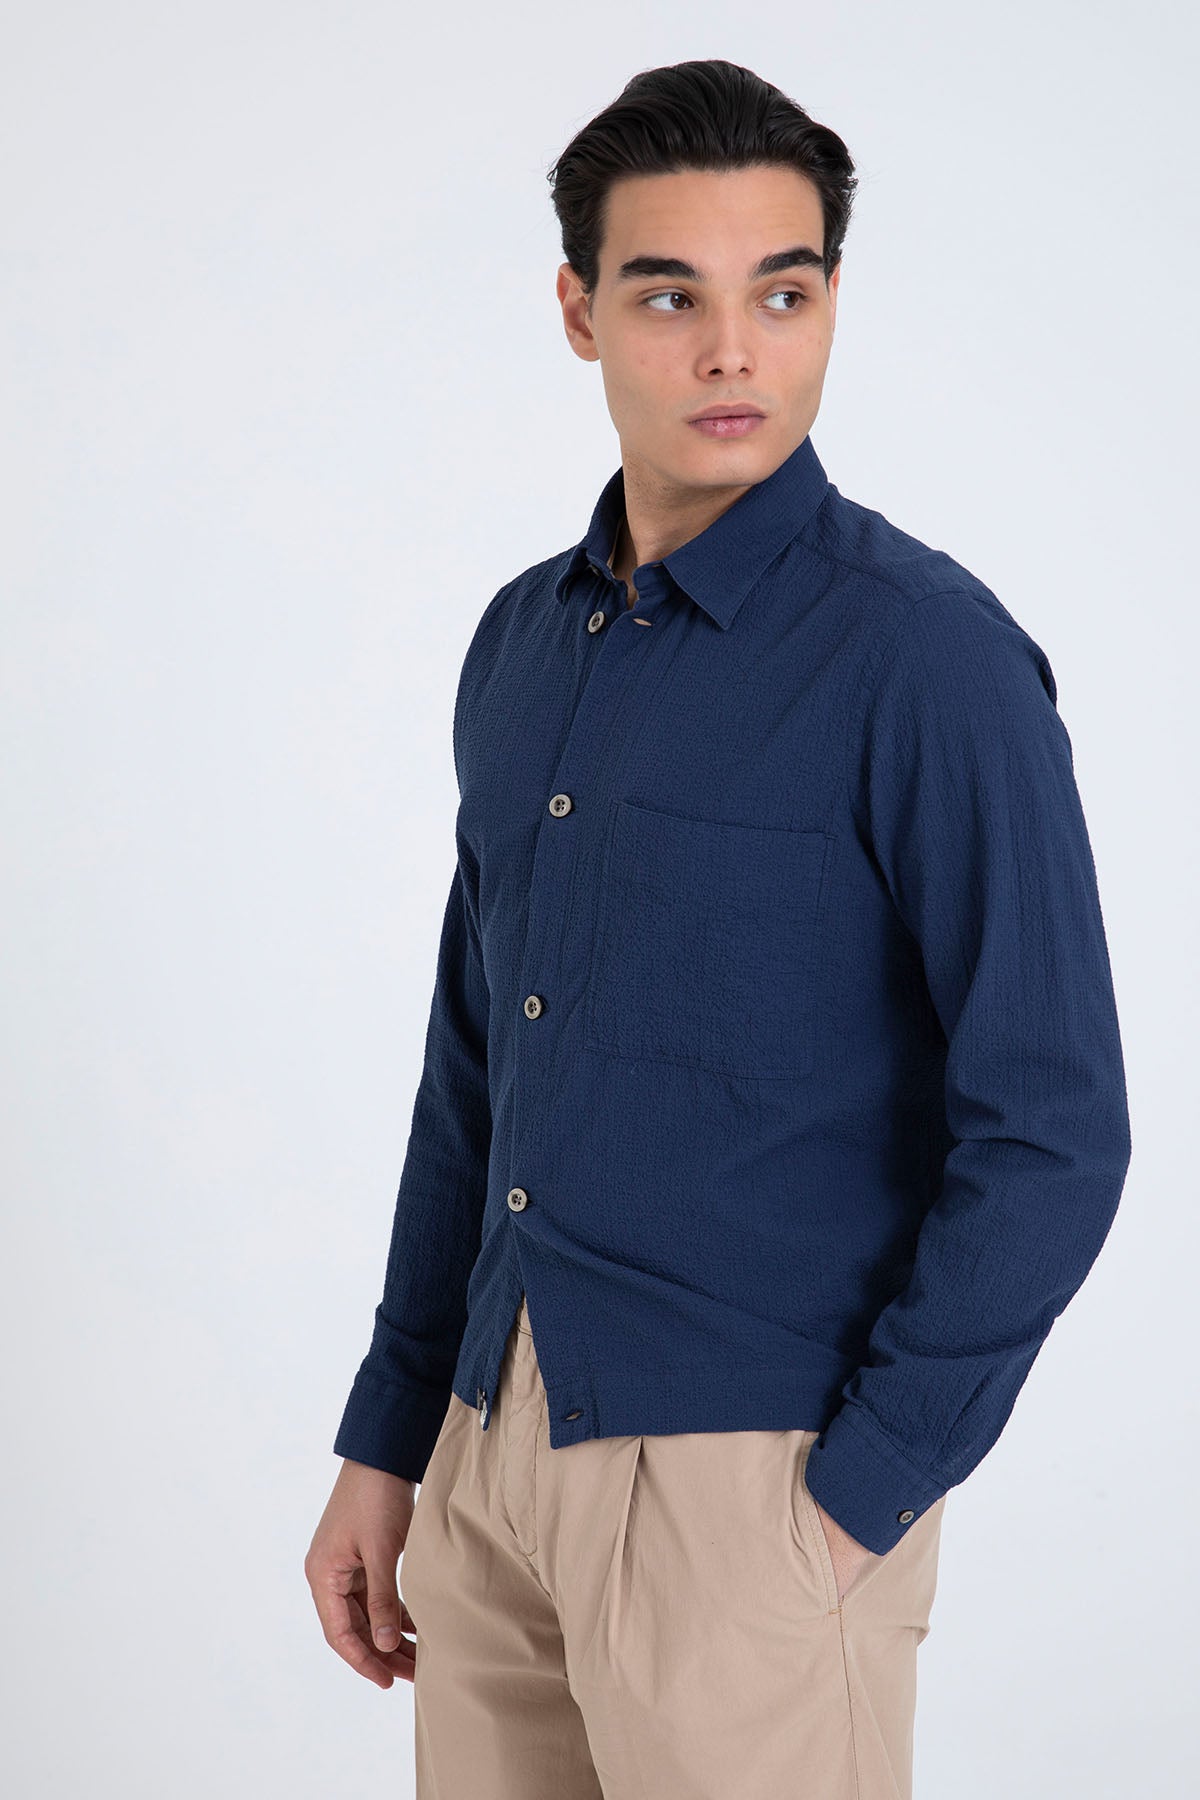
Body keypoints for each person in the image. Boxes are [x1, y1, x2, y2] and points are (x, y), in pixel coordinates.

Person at [305, 58, 1132, 1799]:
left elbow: (1055, 1126)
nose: (733, 352)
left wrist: (858, 1495)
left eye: (785, 293)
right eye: (671, 296)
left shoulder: (926, 660)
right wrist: (391, 1436)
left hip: (753, 1493)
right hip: (490, 1456)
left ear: (832, 306)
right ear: (580, 314)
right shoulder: (522, 646)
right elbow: (475, 1074)